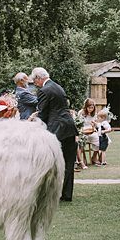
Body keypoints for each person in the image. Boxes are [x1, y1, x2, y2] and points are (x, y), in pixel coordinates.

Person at [31, 67, 78, 202]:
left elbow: (44, 113)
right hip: (69, 126)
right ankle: (67, 194)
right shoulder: (58, 87)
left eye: (35, 80)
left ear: (39, 78)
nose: (35, 83)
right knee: (69, 163)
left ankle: (47, 194)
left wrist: (35, 122)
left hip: (57, 130)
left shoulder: (44, 91)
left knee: (49, 162)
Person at [79, 99, 99, 165]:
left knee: (98, 138)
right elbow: (79, 124)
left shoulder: (94, 113)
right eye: (89, 107)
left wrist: (94, 124)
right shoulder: (81, 113)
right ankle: (81, 159)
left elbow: (96, 124)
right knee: (82, 140)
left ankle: (94, 157)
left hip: (91, 130)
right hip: (83, 131)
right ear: (86, 107)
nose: (91, 109)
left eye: (92, 108)